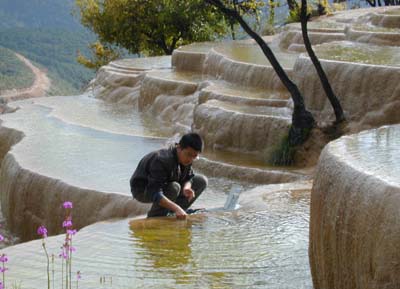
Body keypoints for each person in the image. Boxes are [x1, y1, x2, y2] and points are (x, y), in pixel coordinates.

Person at [130, 133, 208, 219]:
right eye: (189, 155)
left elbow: (189, 177)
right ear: (179, 148)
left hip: (166, 184)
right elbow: (154, 192)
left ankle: (174, 212)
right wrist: (176, 208)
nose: (190, 159)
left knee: (201, 181)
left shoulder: (185, 158)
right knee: (174, 187)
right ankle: (156, 216)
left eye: (194, 156)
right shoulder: (161, 160)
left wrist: (187, 188)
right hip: (143, 190)